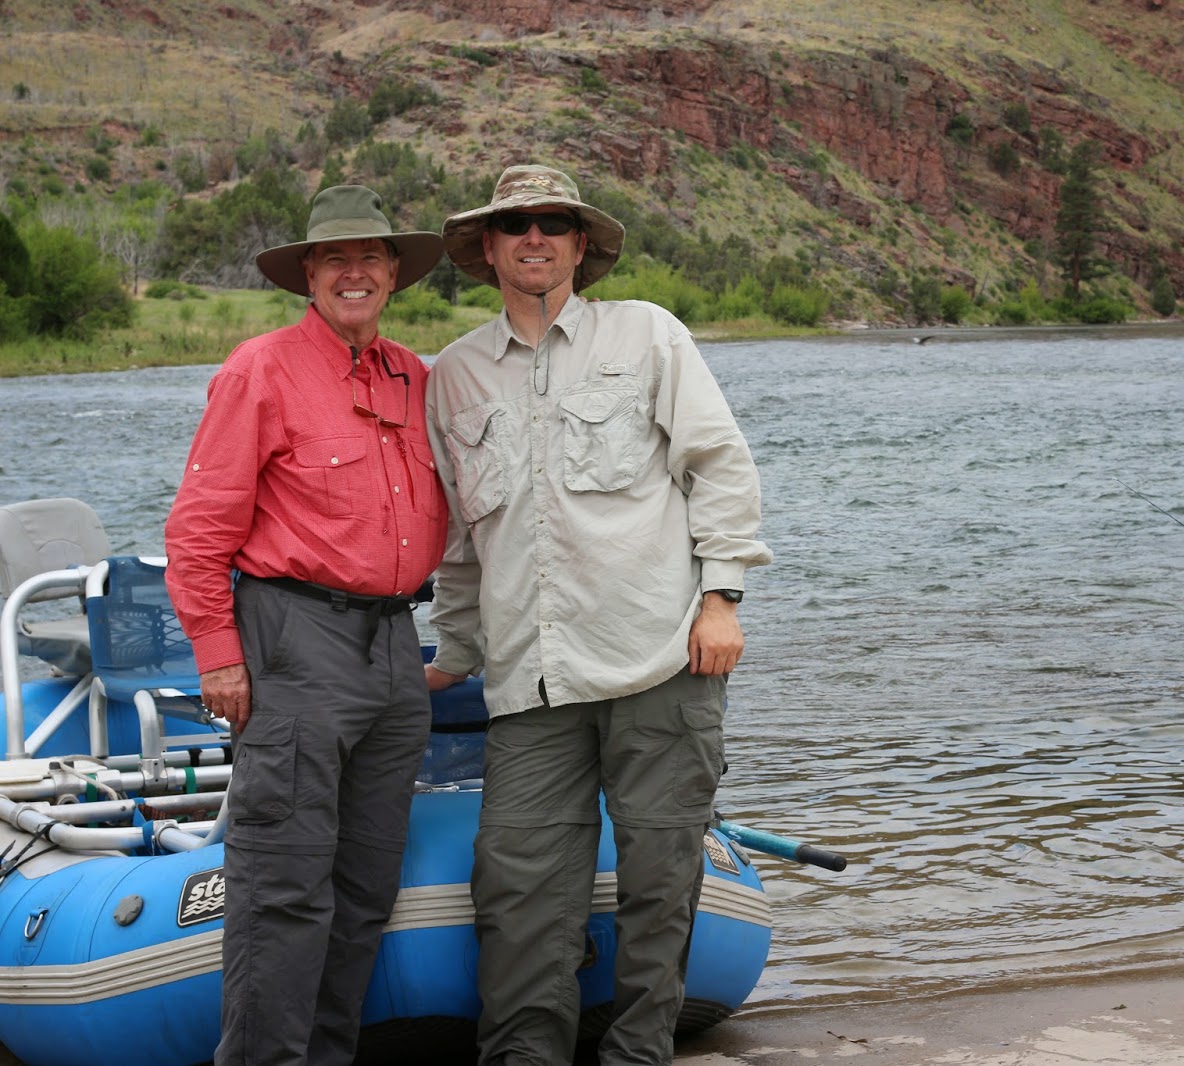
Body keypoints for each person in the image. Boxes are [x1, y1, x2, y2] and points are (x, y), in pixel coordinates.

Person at [424, 165, 772, 1066]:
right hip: (530, 683)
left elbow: (720, 468)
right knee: (517, 886)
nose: (533, 238)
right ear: (488, 250)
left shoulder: (649, 335)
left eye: (553, 223)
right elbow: (462, 541)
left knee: (662, 884)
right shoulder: (452, 375)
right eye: (515, 226)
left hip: (662, 660)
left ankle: (640, 1054)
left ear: (581, 245)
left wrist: (722, 597)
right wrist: (453, 651)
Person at [164, 185, 448, 1066]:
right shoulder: (261, 369)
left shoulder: (417, 377)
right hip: (293, 640)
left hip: (398, 649)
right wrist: (220, 658)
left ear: (395, 271)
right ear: (309, 277)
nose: (353, 270)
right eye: (334, 257)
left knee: (365, 890)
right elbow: (197, 533)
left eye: (370, 254)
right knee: (282, 892)